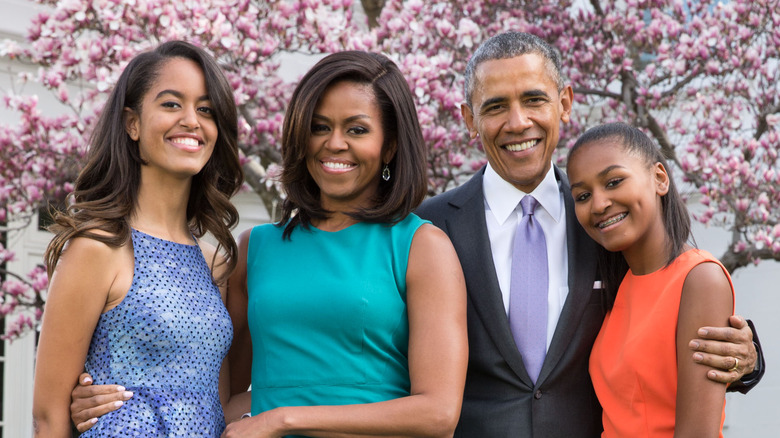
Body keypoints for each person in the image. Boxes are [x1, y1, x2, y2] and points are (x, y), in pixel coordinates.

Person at [414, 31, 763, 436]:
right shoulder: (430, 228)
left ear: (564, 103)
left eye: (534, 99)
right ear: (469, 120)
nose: (518, 122)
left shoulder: (608, 224)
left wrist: (746, 362)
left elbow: (670, 298)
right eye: (495, 106)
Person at [220, 50, 468, 437]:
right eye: (319, 127)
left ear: (389, 147)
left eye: (357, 130)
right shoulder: (255, 248)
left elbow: (438, 414)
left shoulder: (422, 246)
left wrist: (284, 418)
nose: (334, 144)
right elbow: (218, 393)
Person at [32, 40, 243, 437]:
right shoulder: (98, 247)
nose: (191, 121)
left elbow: (219, 403)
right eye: (170, 104)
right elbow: (48, 416)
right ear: (132, 123)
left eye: (206, 109)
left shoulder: (216, 263)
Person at [566, 122, 733, 437]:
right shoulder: (618, 285)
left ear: (659, 178)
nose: (599, 204)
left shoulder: (700, 279)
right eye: (583, 195)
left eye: (614, 181)